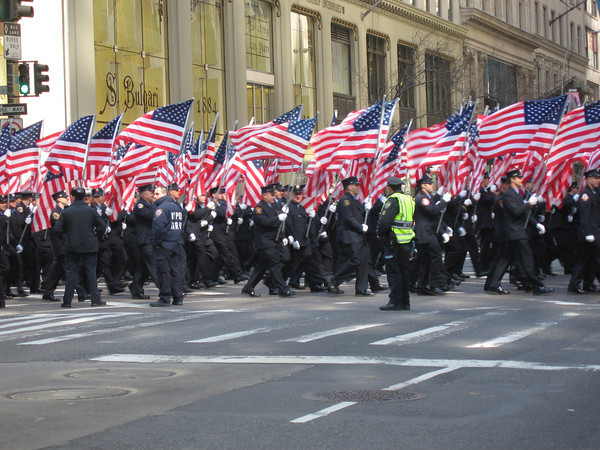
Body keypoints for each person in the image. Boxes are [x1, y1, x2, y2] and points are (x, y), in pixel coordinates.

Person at [501, 168, 553, 294]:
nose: (521, 179)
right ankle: (536, 286)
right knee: (527, 259)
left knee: (515, 260)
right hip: (516, 232)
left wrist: (536, 224)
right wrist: (529, 203)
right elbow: (517, 211)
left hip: (517, 232)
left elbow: (524, 214)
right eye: (518, 177)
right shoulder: (509, 194)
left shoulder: (516, 193)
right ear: (512, 179)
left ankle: (527, 284)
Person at [54, 187, 107, 307]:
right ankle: (95, 300)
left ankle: (67, 301)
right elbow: (102, 227)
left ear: (72, 197)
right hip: (89, 245)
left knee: (71, 273)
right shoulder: (91, 211)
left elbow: (57, 229)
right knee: (91, 273)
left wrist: (66, 237)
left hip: (72, 245)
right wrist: (95, 236)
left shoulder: (66, 212)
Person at [241, 184, 295, 298]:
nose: (273, 196)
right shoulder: (259, 208)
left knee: (261, 267)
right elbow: (263, 222)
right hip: (265, 242)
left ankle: (248, 287)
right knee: (275, 264)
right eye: (271, 194)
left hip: (274, 240)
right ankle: (283, 289)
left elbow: (278, 225)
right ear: (264, 195)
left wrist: (283, 236)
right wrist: (278, 218)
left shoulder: (274, 205)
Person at [328, 176, 372, 296]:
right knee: (355, 260)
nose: (358, 187)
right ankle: (335, 279)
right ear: (349, 187)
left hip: (358, 236)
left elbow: (356, 214)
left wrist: (365, 207)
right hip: (350, 235)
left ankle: (361, 289)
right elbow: (349, 218)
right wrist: (360, 227)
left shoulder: (353, 199)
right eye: (356, 185)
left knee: (363, 262)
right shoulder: (345, 200)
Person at [377, 177, 415, 311]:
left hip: (394, 242)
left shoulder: (393, 200)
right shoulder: (409, 200)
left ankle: (395, 301)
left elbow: (385, 221)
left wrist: (380, 233)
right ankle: (405, 302)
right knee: (404, 272)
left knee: (394, 272)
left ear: (390, 188)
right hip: (407, 241)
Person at [413, 175, 451, 295]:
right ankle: (434, 285)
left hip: (428, 233)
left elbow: (435, 215)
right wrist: (444, 201)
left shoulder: (428, 197)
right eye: (429, 183)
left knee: (425, 261)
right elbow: (433, 211)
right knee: (436, 258)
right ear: (423, 185)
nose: (432, 185)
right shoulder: (422, 198)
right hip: (426, 234)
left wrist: (444, 229)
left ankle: (422, 286)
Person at [150, 186, 184, 306]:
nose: (154, 196)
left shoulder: (161, 208)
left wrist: (157, 243)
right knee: (175, 271)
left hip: (164, 244)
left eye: (157, 194)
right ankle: (178, 297)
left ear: (164, 194)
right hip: (175, 243)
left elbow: (159, 228)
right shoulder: (176, 207)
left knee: (163, 271)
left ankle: (164, 297)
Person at [568, 169, 600, 293]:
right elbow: (584, 216)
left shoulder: (595, 193)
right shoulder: (586, 195)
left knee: (588, 261)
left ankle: (586, 283)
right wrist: (587, 233)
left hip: (594, 231)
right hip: (590, 233)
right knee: (590, 260)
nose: (598, 180)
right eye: (596, 178)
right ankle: (575, 285)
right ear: (588, 179)